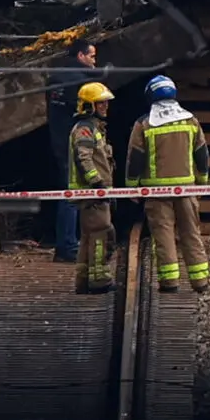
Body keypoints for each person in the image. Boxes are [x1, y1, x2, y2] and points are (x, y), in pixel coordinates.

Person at [126, 76, 210, 293]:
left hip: (156, 190)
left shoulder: (144, 124)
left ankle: (169, 281)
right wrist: (202, 181)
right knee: (191, 232)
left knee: (163, 234)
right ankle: (200, 281)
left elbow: (135, 157)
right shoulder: (190, 121)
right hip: (187, 187)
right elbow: (202, 154)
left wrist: (132, 186)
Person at [46, 38, 98, 263]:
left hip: (58, 141)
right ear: (81, 56)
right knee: (73, 196)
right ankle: (68, 247)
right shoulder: (81, 83)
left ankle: (66, 244)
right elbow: (86, 116)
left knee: (68, 194)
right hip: (75, 145)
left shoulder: (55, 78)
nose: (95, 62)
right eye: (92, 57)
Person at [68, 82, 117, 294]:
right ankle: (99, 281)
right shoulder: (85, 129)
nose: (105, 106)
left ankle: (83, 280)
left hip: (93, 193)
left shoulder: (92, 128)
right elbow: (84, 158)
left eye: (106, 102)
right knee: (101, 233)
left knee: (88, 237)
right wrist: (97, 184)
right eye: (100, 103)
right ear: (89, 106)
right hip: (92, 193)